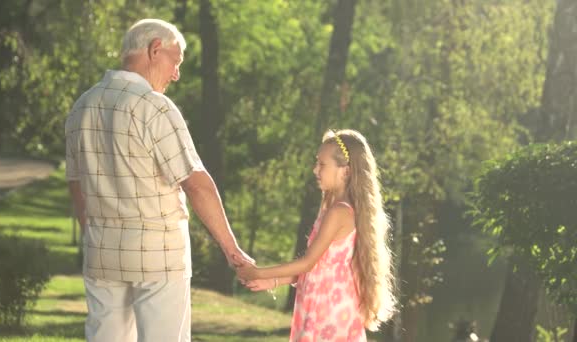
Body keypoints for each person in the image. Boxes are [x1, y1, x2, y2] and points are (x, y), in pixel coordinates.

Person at [65, 19, 253, 342]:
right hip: (159, 257)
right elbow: (196, 183)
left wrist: (94, 234)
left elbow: (77, 185)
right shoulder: (154, 107)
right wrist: (232, 250)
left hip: (102, 255)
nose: (176, 74)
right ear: (155, 49)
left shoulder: (82, 107)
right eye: (175, 62)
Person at [236, 129, 396, 341]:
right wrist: (273, 282)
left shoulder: (339, 212)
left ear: (345, 171)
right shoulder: (334, 209)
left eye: (322, 164)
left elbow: (307, 263)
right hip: (323, 304)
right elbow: (319, 266)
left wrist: (258, 273)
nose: (315, 170)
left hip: (327, 309)